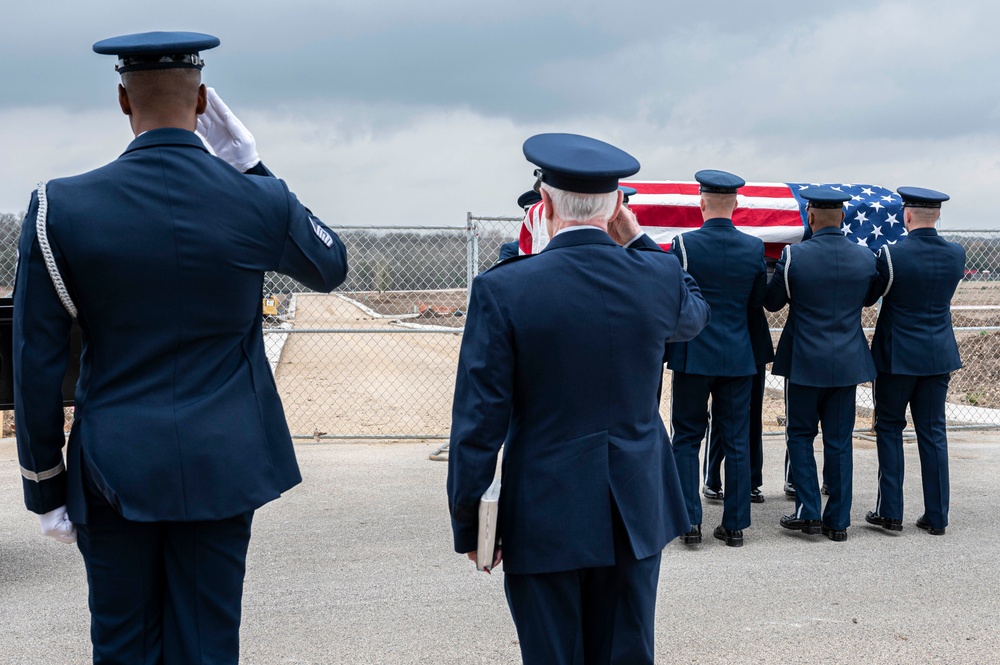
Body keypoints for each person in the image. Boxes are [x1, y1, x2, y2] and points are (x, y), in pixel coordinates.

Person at [13, 32, 347, 663]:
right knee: (208, 641)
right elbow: (330, 266)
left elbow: (36, 360)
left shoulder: (60, 206)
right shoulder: (258, 200)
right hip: (223, 461)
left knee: (122, 643)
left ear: (121, 100)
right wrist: (251, 166)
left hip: (113, 466)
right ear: (202, 106)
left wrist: (44, 486)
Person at [447, 132, 709, 664]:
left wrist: (472, 521)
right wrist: (638, 241)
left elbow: (479, 420)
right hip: (635, 508)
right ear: (618, 206)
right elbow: (694, 316)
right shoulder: (656, 276)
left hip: (545, 510)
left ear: (542, 206)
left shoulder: (505, 289)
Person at [653, 170, 766, 547]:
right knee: (736, 439)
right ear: (736, 205)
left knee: (686, 437)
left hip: (693, 354)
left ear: (701, 203)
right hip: (737, 355)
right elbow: (755, 304)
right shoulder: (754, 248)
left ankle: (689, 522)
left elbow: (673, 298)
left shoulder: (684, 245)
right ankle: (734, 525)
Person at [763, 187, 880, 542]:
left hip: (804, 361)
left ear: (809, 217)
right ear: (842, 217)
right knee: (840, 440)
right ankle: (839, 521)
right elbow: (868, 298)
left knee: (800, 434)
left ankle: (808, 511)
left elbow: (772, 303)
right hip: (847, 361)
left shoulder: (794, 256)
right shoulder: (865, 257)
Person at [865, 187, 965, 536]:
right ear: (937, 215)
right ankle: (937, 516)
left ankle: (890, 512)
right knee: (933, 432)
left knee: (889, 428)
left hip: (897, 358)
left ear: (906, 215)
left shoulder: (891, 255)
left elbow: (870, 296)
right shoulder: (956, 254)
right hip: (938, 355)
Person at [705, 302, 775, 504]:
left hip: (751, 338)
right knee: (721, 412)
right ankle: (713, 477)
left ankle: (751, 481)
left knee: (752, 413)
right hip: (719, 334)